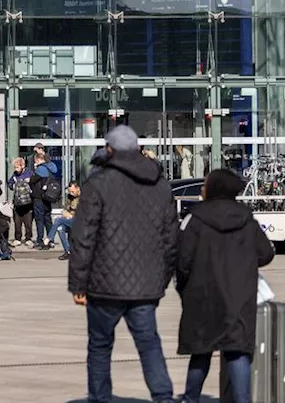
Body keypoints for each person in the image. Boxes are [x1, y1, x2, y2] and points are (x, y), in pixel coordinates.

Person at [69, 125, 178, 403]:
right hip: (145, 285)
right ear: (139, 149)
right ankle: (163, 397)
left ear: (109, 150)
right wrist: (162, 278)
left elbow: (83, 236)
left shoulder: (98, 183)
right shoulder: (160, 183)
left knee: (100, 346)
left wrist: (78, 284)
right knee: (149, 343)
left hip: (104, 285)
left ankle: (100, 397)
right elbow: (171, 239)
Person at [175, 169, 275, 403]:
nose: (201, 188)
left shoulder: (195, 218)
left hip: (203, 297)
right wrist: (244, 263)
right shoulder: (246, 218)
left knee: (200, 353)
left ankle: (190, 399)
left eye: (205, 184)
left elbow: (182, 259)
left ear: (214, 189)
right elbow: (266, 253)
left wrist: (184, 289)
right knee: (237, 351)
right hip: (238, 297)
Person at [29, 147, 60, 250]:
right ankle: (50, 239)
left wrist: (35, 168)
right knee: (48, 218)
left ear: (38, 159)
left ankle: (40, 240)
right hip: (48, 197)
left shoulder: (40, 169)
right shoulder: (51, 167)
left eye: (35, 160)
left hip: (39, 197)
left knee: (39, 219)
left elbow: (32, 180)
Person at [7, 156, 35, 247]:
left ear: (22, 166)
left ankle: (28, 238)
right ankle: (17, 238)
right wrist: (13, 185)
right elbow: (10, 183)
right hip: (17, 202)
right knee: (17, 222)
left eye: (17, 167)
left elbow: (34, 183)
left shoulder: (29, 173)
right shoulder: (15, 175)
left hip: (28, 202)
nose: (16, 169)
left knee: (28, 222)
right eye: (15, 167)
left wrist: (29, 181)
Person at [52, 181, 81, 260]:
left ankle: (50, 238)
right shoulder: (70, 197)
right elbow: (66, 208)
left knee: (59, 220)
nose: (71, 193)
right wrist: (66, 213)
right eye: (70, 191)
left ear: (77, 188)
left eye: (72, 191)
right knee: (60, 228)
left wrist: (71, 215)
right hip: (70, 220)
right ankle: (67, 251)